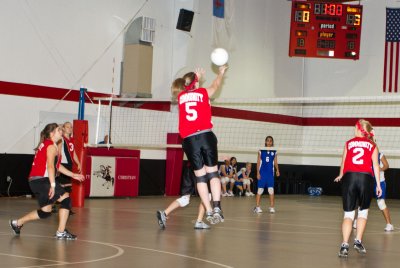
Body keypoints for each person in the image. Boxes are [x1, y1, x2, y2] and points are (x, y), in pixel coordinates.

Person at [172, 65, 228, 224]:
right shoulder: (202, 93)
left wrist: (195, 77)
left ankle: (209, 211)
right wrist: (220, 73)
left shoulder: (180, 96)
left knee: (200, 177)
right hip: (205, 135)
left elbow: (188, 85)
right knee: (213, 174)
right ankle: (217, 207)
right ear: (196, 84)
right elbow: (216, 85)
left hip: (189, 140)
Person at [9, 123, 85, 239]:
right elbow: (50, 166)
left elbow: (57, 166)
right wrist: (53, 186)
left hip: (37, 181)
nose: (61, 131)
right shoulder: (50, 146)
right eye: (59, 130)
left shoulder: (50, 145)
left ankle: (17, 223)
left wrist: (73, 174)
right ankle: (61, 232)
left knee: (46, 212)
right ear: (52, 133)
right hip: (41, 180)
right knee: (66, 199)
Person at [334, 119, 382, 258]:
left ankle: (344, 245)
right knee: (363, 213)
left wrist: (341, 174)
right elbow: (376, 166)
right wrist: (378, 185)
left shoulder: (349, 143)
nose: (353, 128)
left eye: (355, 127)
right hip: (366, 179)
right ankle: (358, 241)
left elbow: (343, 161)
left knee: (348, 215)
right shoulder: (372, 145)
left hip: (350, 178)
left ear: (359, 129)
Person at [353, 142, 394, 232]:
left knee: (381, 203)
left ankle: (389, 224)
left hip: (380, 182)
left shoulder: (380, 155)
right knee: (362, 201)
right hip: (367, 182)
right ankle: (357, 221)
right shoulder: (364, 155)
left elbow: (387, 165)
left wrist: (380, 168)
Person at [157, 163, 210, 229]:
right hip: (201, 169)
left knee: (185, 199)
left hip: (188, 169)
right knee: (207, 196)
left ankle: (164, 213)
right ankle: (199, 222)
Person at [55, 122, 81, 214]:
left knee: (66, 186)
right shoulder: (61, 139)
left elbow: (73, 152)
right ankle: (64, 207)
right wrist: (57, 165)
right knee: (64, 186)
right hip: (62, 164)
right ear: (64, 128)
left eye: (71, 127)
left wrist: (78, 163)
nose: (70, 128)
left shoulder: (71, 140)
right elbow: (58, 151)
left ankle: (61, 206)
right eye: (68, 127)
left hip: (69, 164)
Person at [253, 136, 280, 214]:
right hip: (262, 173)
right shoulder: (261, 150)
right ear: (265, 142)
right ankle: (257, 207)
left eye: (270, 141)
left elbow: (275, 162)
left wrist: (277, 170)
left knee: (271, 190)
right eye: (267, 140)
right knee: (260, 190)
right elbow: (258, 163)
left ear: (272, 142)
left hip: (270, 174)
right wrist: (257, 173)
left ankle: (272, 207)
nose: (269, 142)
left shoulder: (274, 151)